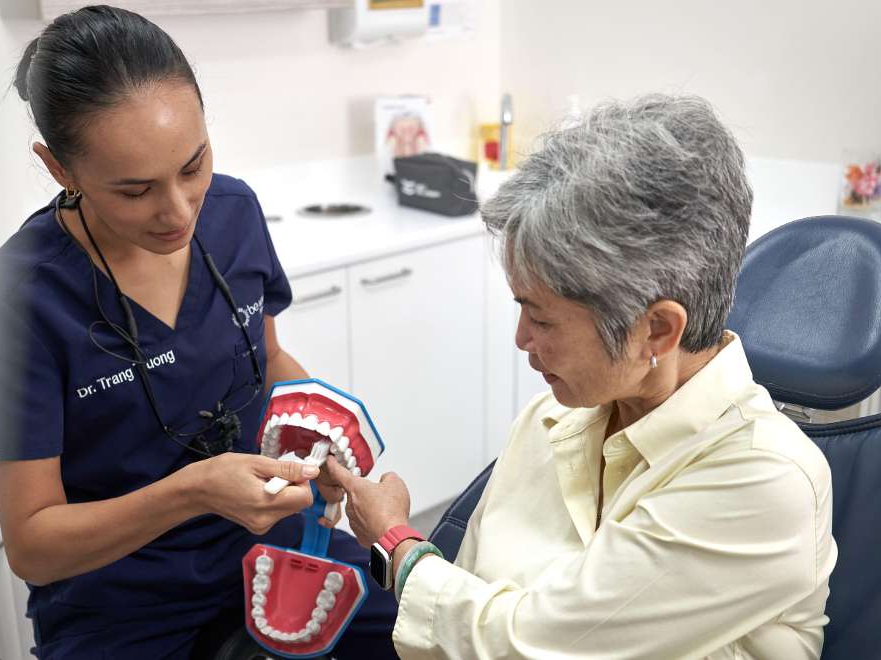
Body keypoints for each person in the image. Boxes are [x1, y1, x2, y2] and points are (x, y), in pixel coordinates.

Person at [327, 94, 836, 659]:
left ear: (658, 331)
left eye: (541, 318)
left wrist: (395, 541)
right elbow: (468, 605)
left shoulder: (766, 483)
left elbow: (525, 644)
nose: (521, 339)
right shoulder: (554, 418)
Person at [0, 6, 396, 658]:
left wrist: (324, 440)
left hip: (274, 542)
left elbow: (269, 357)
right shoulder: (18, 299)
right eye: (135, 191)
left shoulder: (235, 212)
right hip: (121, 599)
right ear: (60, 171)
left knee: (419, 631)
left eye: (194, 166)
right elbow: (34, 546)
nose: (179, 211)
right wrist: (192, 492)